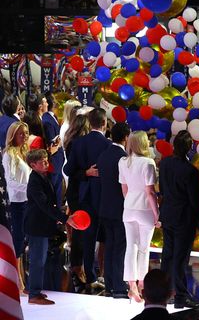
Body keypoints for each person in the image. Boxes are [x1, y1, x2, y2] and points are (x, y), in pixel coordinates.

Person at [64, 108, 111, 293]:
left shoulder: (79, 143)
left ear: (90, 123)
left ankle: (90, 276)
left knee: (87, 237)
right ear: (104, 123)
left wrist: (84, 173)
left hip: (85, 197)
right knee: (106, 239)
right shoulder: (109, 145)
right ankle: (103, 276)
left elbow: (68, 171)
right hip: (105, 197)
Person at [158, 130, 199, 309]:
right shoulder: (190, 171)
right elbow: (194, 200)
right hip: (184, 218)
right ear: (189, 147)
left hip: (168, 214)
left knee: (167, 255)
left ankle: (163, 293)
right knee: (180, 258)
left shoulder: (165, 164)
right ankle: (180, 297)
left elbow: (162, 188)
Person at [24, 149, 74, 305]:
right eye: (42, 161)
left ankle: (35, 289)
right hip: (36, 226)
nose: (46, 163)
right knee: (37, 260)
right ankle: (33, 294)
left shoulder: (42, 177)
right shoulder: (34, 181)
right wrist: (64, 218)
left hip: (41, 225)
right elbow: (44, 205)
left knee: (40, 259)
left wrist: (58, 216)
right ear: (33, 165)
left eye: (46, 160)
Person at [120, 131, 160, 303]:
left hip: (128, 207)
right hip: (145, 209)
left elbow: (124, 189)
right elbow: (150, 192)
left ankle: (132, 286)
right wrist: (157, 214)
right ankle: (142, 285)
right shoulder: (148, 162)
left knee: (131, 247)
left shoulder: (123, 161)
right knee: (143, 249)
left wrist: (130, 202)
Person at [96, 122, 131, 299]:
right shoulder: (123, 158)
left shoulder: (103, 156)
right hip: (119, 209)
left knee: (110, 246)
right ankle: (118, 286)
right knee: (119, 247)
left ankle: (110, 284)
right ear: (126, 137)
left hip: (104, 208)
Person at [62, 112, 89, 291]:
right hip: (77, 190)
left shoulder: (73, 143)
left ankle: (77, 266)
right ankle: (76, 267)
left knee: (79, 231)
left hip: (76, 190)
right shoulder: (76, 145)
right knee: (79, 231)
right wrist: (86, 173)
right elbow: (70, 169)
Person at [3, 121, 30, 291]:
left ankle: (20, 279)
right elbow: (10, 181)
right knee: (17, 240)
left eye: (26, 133)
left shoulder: (23, 153)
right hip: (16, 202)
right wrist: (30, 187)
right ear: (13, 135)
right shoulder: (9, 155)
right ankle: (16, 281)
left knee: (22, 240)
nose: (24, 136)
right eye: (21, 133)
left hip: (25, 201)